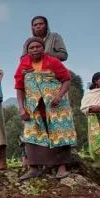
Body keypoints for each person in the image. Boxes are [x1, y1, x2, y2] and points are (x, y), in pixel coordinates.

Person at [15, 37, 75, 180]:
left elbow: (66, 79)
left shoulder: (53, 61)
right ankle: (34, 168)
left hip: (55, 106)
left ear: (43, 48)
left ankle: (61, 168)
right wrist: (22, 108)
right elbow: (19, 87)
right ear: (27, 50)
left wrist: (59, 95)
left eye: (38, 47)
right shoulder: (23, 64)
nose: (35, 49)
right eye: (32, 48)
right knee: (31, 135)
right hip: (34, 107)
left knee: (60, 133)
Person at [80, 72, 100, 159]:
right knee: (96, 141)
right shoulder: (89, 93)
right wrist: (91, 108)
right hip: (93, 119)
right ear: (96, 81)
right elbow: (83, 107)